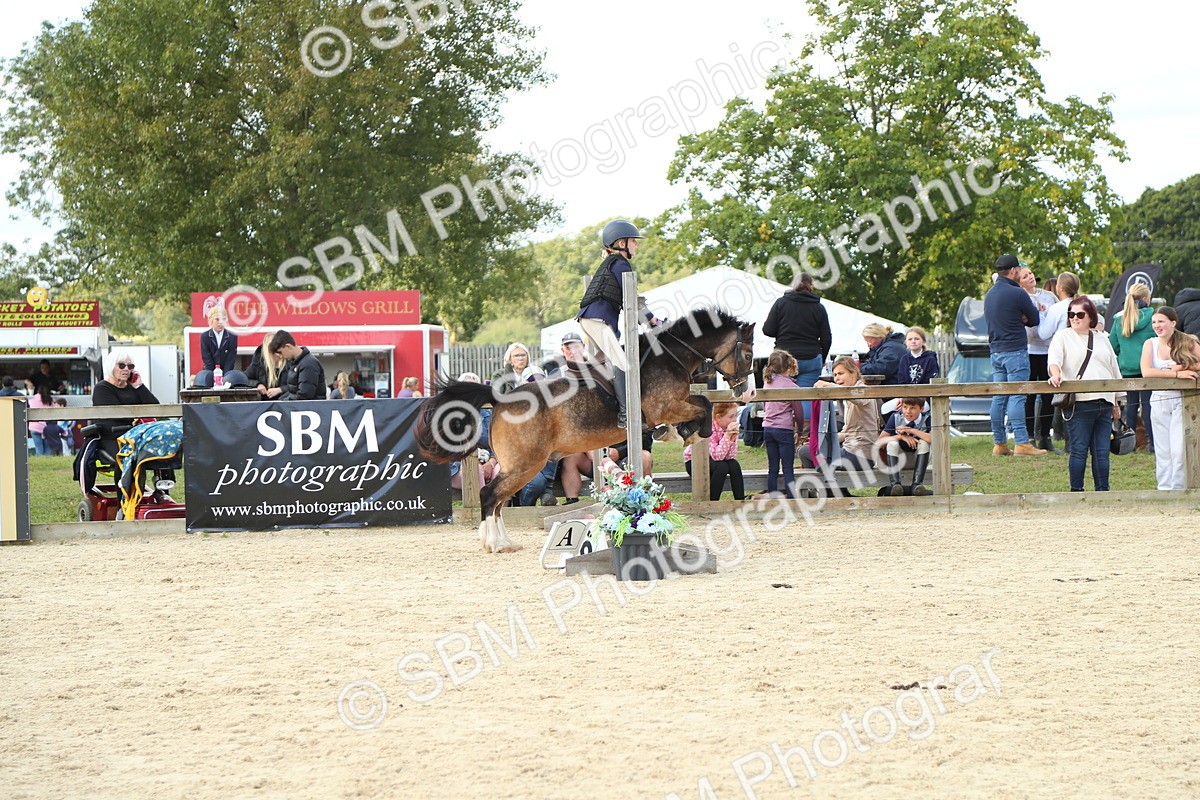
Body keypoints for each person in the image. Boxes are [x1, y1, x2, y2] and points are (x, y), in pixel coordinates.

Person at [576, 219, 658, 426]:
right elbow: (633, 298)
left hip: (595, 319)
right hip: (597, 319)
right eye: (634, 241)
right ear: (622, 243)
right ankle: (625, 414)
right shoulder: (620, 264)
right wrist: (652, 320)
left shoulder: (613, 263)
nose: (636, 245)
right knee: (622, 363)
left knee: (616, 359)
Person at [1048, 297, 1121, 492]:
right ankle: (1076, 492)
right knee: (1079, 451)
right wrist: (1055, 374)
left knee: (1101, 453)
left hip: (1104, 402)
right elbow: (1054, 360)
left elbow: (1113, 370)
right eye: (1071, 314)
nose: (1075, 318)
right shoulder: (1063, 336)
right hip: (1079, 403)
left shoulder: (1102, 338)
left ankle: (1102, 492)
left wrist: (1116, 401)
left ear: (1091, 317)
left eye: (1080, 314)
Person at [984, 254, 1045, 456]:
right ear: (1013, 271)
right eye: (1018, 269)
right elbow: (1035, 319)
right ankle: (1021, 442)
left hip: (996, 351)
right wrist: (1023, 319)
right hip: (1015, 351)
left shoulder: (990, 294)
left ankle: (999, 443)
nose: (1020, 272)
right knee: (1017, 396)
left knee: (999, 397)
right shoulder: (1017, 293)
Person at [1139, 306, 1200, 491]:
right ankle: (1164, 489)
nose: (1157, 325)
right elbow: (1147, 372)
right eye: (1154, 322)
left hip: (1182, 400)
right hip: (1158, 399)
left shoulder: (1187, 341)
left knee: (1179, 449)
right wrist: (1176, 375)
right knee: (1163, 449)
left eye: (1161, 321)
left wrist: (1178, 368)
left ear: (1173, 323)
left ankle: (1179, 488)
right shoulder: (1150, 343)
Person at [762, 272, 832, 399]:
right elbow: (826, 338)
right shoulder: (819, 307)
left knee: (780, 398)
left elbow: (768, 330)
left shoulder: (781, 303)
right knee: (804, 398)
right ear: (811, 286)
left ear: (793, 285)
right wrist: (821, 358)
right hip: (811, 358)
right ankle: (804, 419)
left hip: (783, 359)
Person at [1109, 284, 1156, 452]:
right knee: (1149, 406)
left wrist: (1125, 353)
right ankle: (1151, 444)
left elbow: (1112, 345)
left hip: (1127, 369)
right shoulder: (1153, 317)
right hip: (1147, 369)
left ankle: (1129, 443)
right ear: (1145, 298)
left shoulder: (1119, 319)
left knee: (1131, 406)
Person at [1020, 266, 1061, 453]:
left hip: (1048, 350)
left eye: (1030, 274)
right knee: (1028, 395)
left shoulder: (1049, 296)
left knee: (1048, 395)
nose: (1030, 277)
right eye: (1025, 276)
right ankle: (1029, 436)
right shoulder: (1019, 297)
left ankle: (1045, 435)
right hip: (1029, 350)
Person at [814, 356, 880, 469]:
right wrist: (821, 441)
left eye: (841, 373)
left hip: (859, 455)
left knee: (807, 453)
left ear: (853, 373)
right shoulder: (849, 396)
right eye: (835, 375)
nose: (837, 378)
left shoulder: (862, 390)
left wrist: (830, 385)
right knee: (812, 449)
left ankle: (830, 485)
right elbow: (846, 432)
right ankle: (837, 486)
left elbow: (860, 399)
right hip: (851, 451)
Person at [91, 350, 160, 457]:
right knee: (129, 456)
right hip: (113, 437)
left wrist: (139, 386)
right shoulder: (102, 388)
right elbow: (115, 417)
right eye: (122, 365)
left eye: (130, 366)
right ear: (111, 366)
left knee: (162, 448)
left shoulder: (133, 388)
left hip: (137, 434)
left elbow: (155, 407)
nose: (126, 369)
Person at [760, 350, 806, 498]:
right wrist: (800, 429)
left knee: (772, 467)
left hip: (768, 427)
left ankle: (772, 496)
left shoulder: (767, 382)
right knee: (787, 467)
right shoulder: (791, 387)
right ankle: (791, 497)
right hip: (784, 429)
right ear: (789, 367)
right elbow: (798, 412)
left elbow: (764, 406)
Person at [683, 402, 745, 500]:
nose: (734, 420)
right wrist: (727, 436)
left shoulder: (727, 428)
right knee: (722, 466)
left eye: (736, 416)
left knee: (734, 464)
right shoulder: (709, 428)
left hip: (713, 460)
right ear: (719, 417)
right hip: (695, 462)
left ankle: (740, 500)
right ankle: (712, 501)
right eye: (731, 417)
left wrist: (732, 438)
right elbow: (717, 456)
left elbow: (730, 456)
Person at [876, 397, 933, 496]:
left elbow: (933, 439)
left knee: (923, 443)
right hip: (899, 461)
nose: (908, 411)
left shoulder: (927, 418)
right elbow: (879, 442)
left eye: (913, 408)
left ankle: (917, 484)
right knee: (892, 443)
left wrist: (911, 430)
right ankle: (895, 484)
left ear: (922, 409)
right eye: (905, 407)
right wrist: (901, 437)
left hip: (919, 460)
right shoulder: (895, 417)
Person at [195, 306, 250, 388]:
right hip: (209, 372)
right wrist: (214, 377)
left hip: (227, 373)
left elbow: (231, 358)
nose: (220, 322)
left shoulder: (232, 336)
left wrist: (224, 378)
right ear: (211, 320)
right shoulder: (205, 336)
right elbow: (206, 357)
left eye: (223, 319)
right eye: (217, 319)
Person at [266, 331, 325, 401]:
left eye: (280, 352)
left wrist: (281, 403)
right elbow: (293, 391)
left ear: (288, 346)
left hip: (307, 409)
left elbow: (304, 395)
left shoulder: (308, 364)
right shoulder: (297, 363)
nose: (280, 356)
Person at [244, 330, 283, 399]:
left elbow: (296, 384)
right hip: (264, 402)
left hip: (285, 401)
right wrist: (257, 384)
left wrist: (280, 389)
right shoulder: (258, 362)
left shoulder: (289, 360)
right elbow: (245, 378)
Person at [27, 385, 55, 455]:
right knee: (48, 450)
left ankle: (39, 463)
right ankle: (47, 464)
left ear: (38, 391)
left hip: (35, 427)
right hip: (47, 428)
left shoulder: (32, 399)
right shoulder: (50, 400)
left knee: (38, 449)